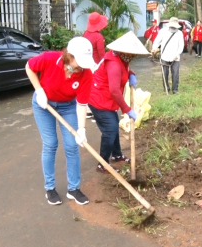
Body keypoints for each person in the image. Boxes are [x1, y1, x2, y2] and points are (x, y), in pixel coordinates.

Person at [26, 37, 95, 206]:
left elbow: (81, 103)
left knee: (72, 145)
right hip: (44, 104)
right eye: (79, 61)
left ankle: (73, 189)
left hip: (68, 106)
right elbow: (29, 67)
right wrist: (39, 90)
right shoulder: (50, 59)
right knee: (50, 144)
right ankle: (50, 188)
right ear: (68, 56)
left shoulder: (86, 73)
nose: (81, 67)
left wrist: (82, 129)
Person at [88, 31, 150, 173]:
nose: (133, 57)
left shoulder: (120, 58)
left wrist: (130, 74)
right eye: (131, 54)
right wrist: (127, 109)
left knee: (114, 125)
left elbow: (124, 69)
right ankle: (102, 164)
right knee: (110, 130)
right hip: (99, 99)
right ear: (124, 52)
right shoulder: (114, 64)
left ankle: (116, 155)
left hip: (107, 99)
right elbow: (114, 90)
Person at [82, 11, 108, 119]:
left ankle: (86, 109)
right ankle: (93, 108)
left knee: (85, 86)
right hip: (94, 65)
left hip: (84, 63)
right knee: (95, 87)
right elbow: (102, 54)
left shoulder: (85, 34)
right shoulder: (98, 36)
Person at [152, 17, 184, 94]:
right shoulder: (163, 32)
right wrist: (154, 49)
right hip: (164, 56)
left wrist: (177, 54)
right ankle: (166, 88)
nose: (173, 27)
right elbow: (156, 42)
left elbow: (181, 46)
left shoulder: (179, 33)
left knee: (175, 73)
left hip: (175, 57)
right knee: (164, 74)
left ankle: (175, 90)